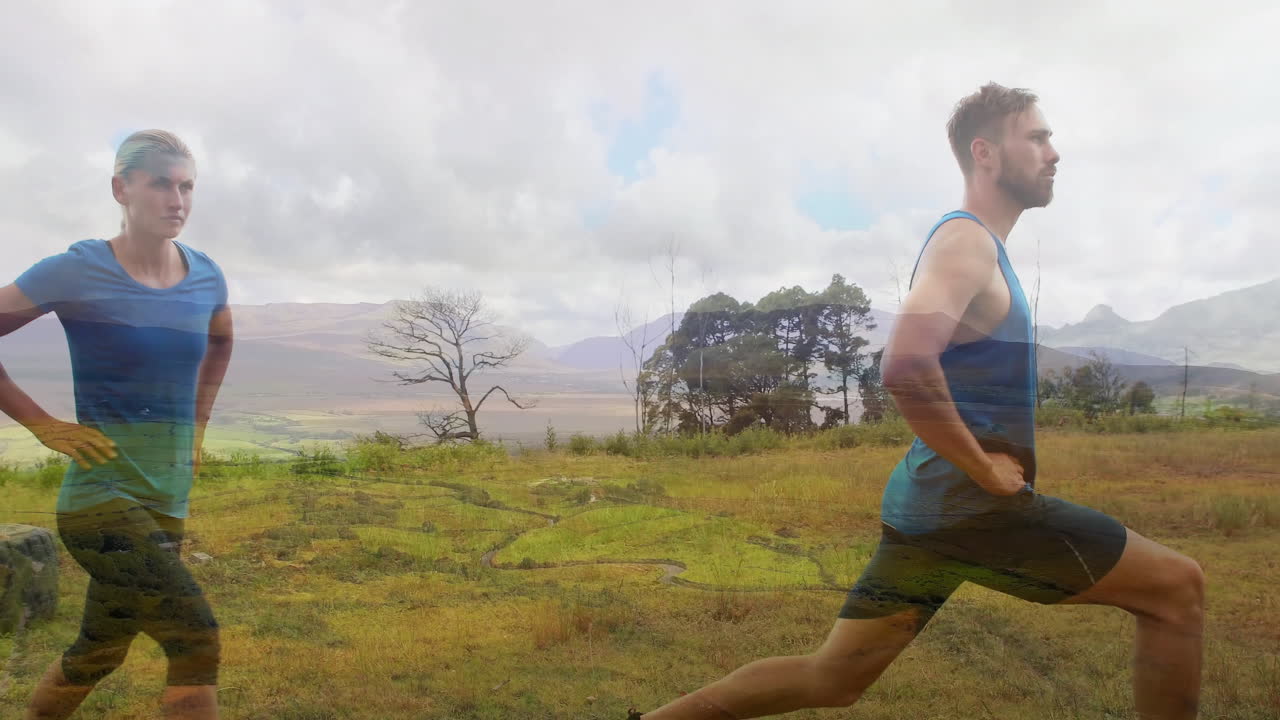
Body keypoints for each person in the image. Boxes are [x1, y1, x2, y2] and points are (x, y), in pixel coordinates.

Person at [630, 83, 1204, 720]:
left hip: (928, 513)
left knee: (832, 678)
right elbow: (905, 365)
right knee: (1177, 588)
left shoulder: (977, 247)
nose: (1053, 152)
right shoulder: (968, 245)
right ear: (985, 153)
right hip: (973, 511)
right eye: (1037, 137)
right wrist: (985, 470)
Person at [0, 129, 233, 720]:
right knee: (194, 639)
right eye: (160, 183)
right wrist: (41, 424)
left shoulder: (206, 275)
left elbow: (222, 342)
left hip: (167, 499)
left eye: (186, 186)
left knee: (100, 650)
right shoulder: (78, 270)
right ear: (120, 188)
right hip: (100, 499)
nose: (176, 199)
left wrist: (198, 429)